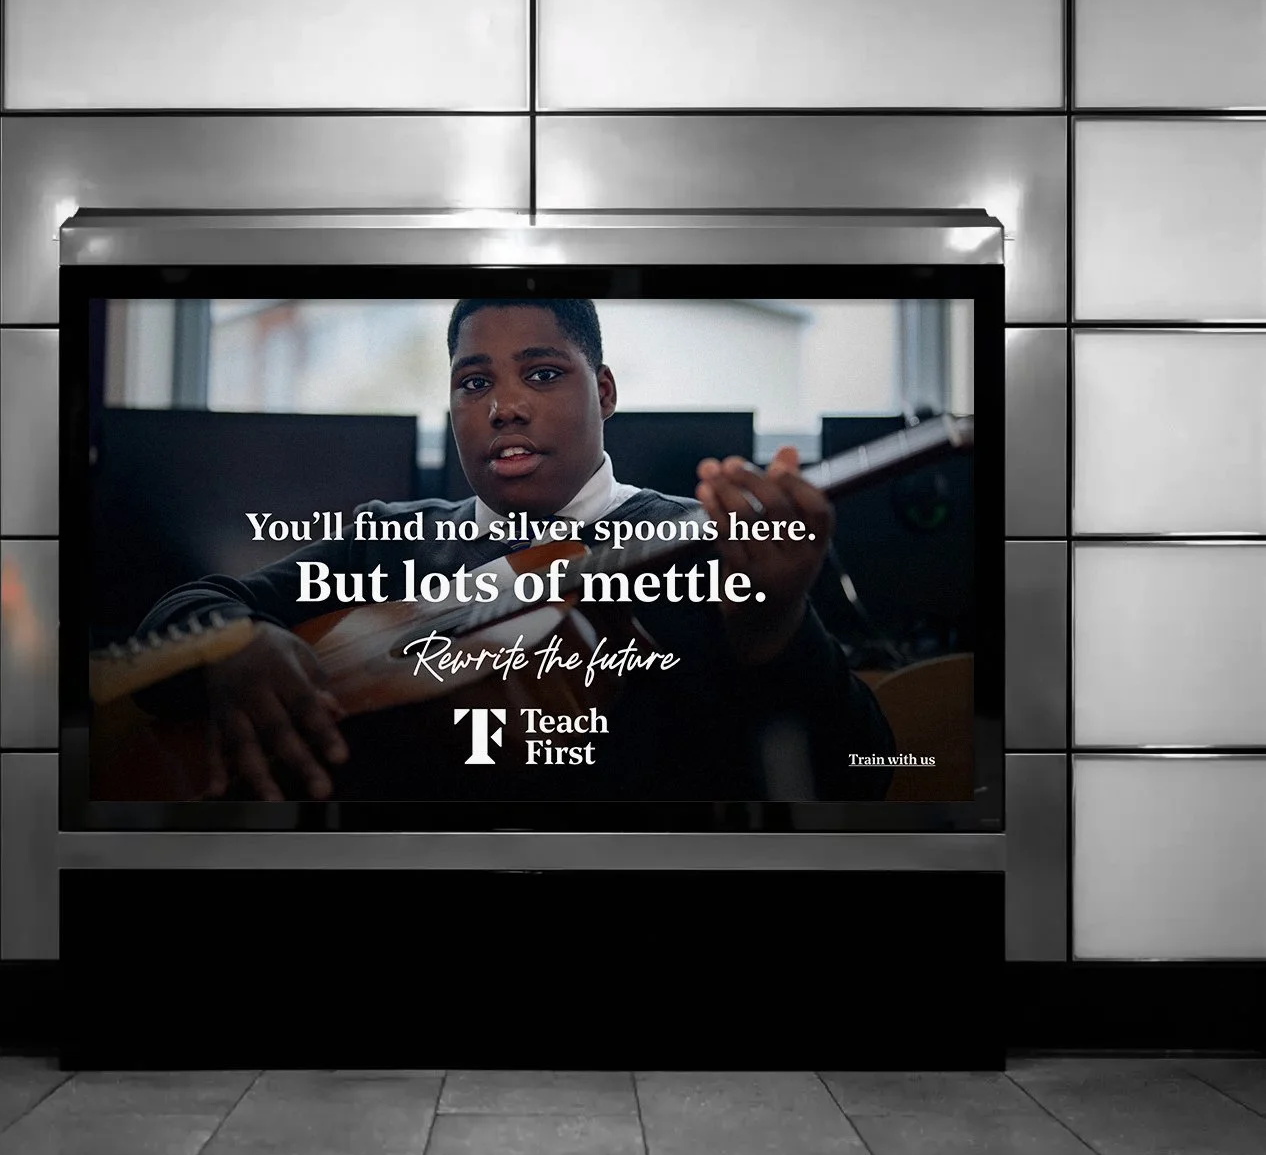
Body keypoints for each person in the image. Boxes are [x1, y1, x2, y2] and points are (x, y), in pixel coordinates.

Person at [134, 298, 894, 803]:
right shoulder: (389, 539)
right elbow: (180, 614)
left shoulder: (722, 548)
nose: (504, 406)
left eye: (541, 373)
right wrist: (232, 647)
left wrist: (775, 629)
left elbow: (865, 773)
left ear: (602, 391)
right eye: (474, 382)